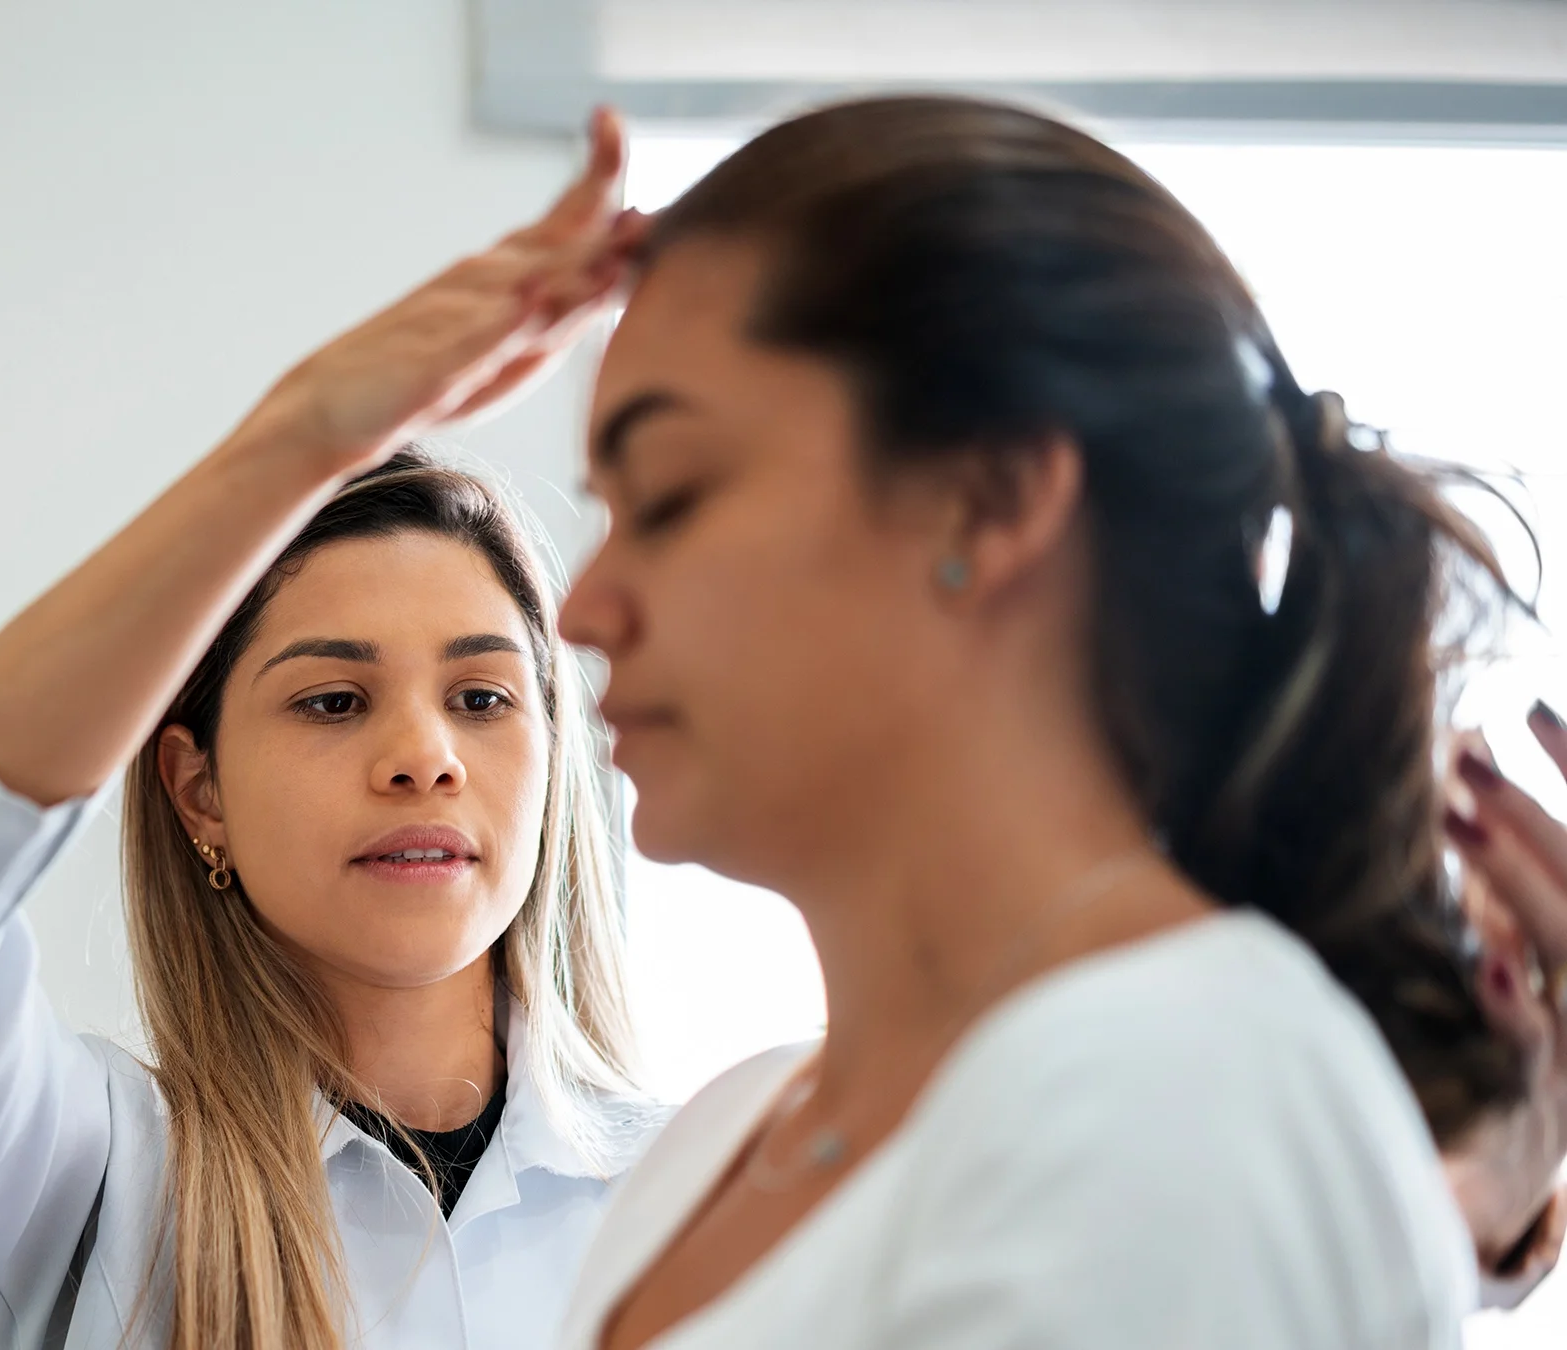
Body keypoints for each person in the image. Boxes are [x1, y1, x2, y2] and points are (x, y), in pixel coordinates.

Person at [543, 95, 1567, 1349]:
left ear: (991, 499)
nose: (581, 608)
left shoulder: (1180, 1097)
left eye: (669, 496)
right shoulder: (723, 1133)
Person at [0, 116, 662, 1350]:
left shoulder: (706, 1192)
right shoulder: (93, 1186)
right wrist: (299, 437)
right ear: (199, 794)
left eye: (482, 697)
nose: (425, 756)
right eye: (332, 701)